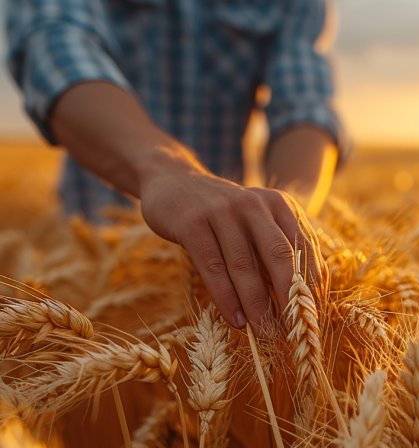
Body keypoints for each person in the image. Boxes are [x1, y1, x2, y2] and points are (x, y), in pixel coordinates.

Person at [4, 0, 346, 332]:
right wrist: (165, 171)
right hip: (90, 270)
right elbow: (56, 48)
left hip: (218, 286)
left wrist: (284, 229)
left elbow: (304, 104)